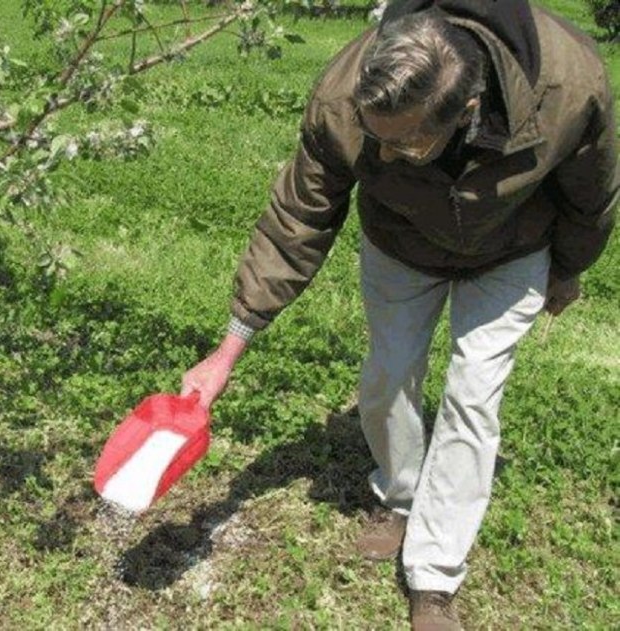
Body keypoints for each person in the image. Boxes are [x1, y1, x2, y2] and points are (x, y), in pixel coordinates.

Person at [180, 1, 618, 628]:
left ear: (468, 110)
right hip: (401, 243)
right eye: (374, 136)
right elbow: (299, 217)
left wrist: (570, 268)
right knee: (387, 376)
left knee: (473, 396)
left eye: (405, 142)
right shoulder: (345, 94)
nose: (381, 155)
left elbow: (592, 190)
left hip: (513, 248)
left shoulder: (569, 83)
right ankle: (400, 496)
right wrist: (229, 348)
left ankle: (435, 576)